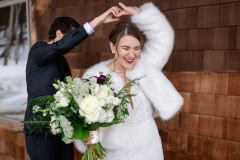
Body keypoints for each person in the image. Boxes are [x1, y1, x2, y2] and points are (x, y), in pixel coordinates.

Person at [74, 2, 183, 160]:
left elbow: (163, 37)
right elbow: (82, 118)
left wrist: (139, 13)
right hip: (113, 155)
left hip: (150, 152)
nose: (131, 54)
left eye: (136, 48)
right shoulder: (95, 76)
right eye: (125, 48)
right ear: (113, 47)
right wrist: (85, 136)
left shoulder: (145, 66)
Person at [24, 6, 122, 160]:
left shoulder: (62, 62)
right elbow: (62, 45)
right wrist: (98, 21)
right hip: (41, 131)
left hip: (63, 133)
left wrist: (81, 132)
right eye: (72, 37)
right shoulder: (37, 50)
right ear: (58, 34)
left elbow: (68, 102)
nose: (73, 44)